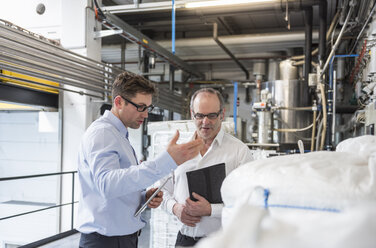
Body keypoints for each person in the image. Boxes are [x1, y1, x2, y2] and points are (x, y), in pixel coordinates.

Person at [76, 72, 204, 248]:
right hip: (105, 242)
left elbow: (118, 185)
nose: (145, 115)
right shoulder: (103, 133)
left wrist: (143, 197)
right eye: (140, 107)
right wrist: (167, 160)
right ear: (119, 102)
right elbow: (107, 184)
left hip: (121, 239)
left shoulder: (119, 135)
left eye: (148, 108)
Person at [161, 88, 254, 247]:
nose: (205, 122)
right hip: (185, 241)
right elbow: (161, 190)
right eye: (200, 115)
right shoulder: (178, 149)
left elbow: (249, 202)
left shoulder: (239, 151)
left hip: (222, 242)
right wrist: (175, 208)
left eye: (212, 115)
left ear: (222, 114)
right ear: (192, 114)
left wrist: (211, 210)